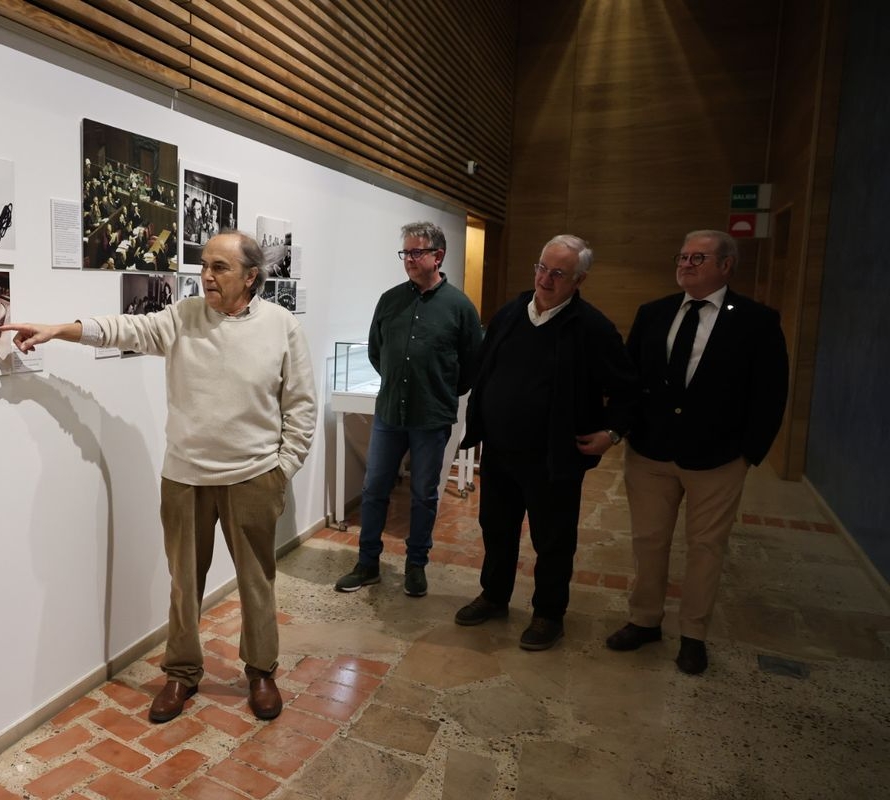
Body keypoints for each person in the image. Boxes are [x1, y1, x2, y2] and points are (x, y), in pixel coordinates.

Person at [1, 231, 316, 724]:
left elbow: (301, 405)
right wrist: (62, 330)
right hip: (185, 477)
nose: (206, 276)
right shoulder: (185, 317)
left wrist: (283, 470)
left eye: (220, 268)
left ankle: (260, 671)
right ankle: (183, 672)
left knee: (257, 580)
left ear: (251, 276)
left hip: (254, 477)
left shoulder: (280, 327)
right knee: (183, 582)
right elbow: (126, 329)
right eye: (204, 265)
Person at [605, 230, 788, 675]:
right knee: (649, 542)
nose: (685, 264)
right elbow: (630, 381)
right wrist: (617, 430)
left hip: (718, 458)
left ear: (726, 266)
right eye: (682, 256)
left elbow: (770, 393)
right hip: (651, 453)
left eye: (698, 258)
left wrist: (748, 454)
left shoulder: (756, 321)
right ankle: (645, 620)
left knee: (706, 547)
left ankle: (693, 634)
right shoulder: (654, 314)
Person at [455, 234, 638, 651]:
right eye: (541, 268)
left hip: (554, 457)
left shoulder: (591, 327)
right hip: (500, 452)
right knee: (497, 529)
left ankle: (548, 614)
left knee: (553, 540)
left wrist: (611, 433)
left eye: (558, 273)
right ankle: (495, 596)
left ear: (579, 279)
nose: (545, 279)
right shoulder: (511, 314)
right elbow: (484, 368)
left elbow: (628, 388)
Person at [334, 222, 482, 597]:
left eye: (417, 253)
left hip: (431, 417)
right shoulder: (389, 300)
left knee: (423, 494)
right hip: (389, 414)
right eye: (406, 253)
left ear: (438, 256)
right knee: (374, 488)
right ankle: (368, 563)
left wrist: (436, 390)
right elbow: (375, 350)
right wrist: (399, 382)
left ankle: (417, 565)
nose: (410, 260)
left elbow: (471, 366)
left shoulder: (460, 308)